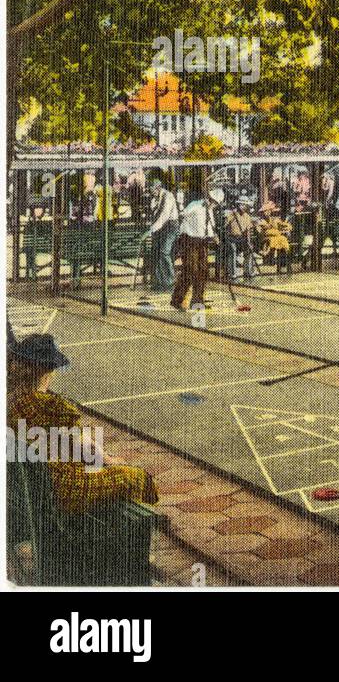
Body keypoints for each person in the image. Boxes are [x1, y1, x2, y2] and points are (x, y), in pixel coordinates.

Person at [7, 334, 159, 512]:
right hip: (64, 489)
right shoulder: (53, 406)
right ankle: (149, 520)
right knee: (137, 477)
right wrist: (110, 461)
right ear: (48, 371)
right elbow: (84, 445)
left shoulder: (11, 400)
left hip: (29, 489)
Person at [171, 187, 219, 312]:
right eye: (213, 202)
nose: (213, 205)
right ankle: (177, 300)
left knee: (203, 271)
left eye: (216, 204)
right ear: (209, 198)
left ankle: (197, 301)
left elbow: (210, 226)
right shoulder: (195, 205)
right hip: (188, 240)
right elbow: (182, 214)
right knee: (191, 270)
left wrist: (214, 236)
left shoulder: (210, 210)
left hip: (201, 242)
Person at [145, 177, 180, 292]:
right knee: (156, 251)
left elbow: (164, 217)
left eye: (152, 190)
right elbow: (155, 215)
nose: (151, 192)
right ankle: (159, 282)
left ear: (158, 188)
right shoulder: (154, 199)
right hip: (160, 227)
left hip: (170, 227)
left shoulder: (168, 196)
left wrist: (150, 230)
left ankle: (170, 282)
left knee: (164, 251)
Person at [225, 196, 258, 281]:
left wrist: (249, 242)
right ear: (238, 205)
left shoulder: (247, 216)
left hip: (241, 239)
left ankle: (248, 271)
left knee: (249, 249)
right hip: (231, 238)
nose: (243, 207)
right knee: (233, 249)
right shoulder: (231, 214)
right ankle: (232, 273)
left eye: (245, 205)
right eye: (241, 205)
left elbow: (247, 231)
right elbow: (224, 228)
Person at [258, 203, 292, 274]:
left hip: (277, 237)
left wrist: (288, 227)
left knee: (283, 240)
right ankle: (272, 258)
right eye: (264, 211)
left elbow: (284, 225)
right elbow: (260, 232)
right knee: (276, 240)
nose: (266, 213)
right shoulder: (260, 221)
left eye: (268, 211)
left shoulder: (274, 219)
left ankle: (284, 265)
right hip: (266, 238)